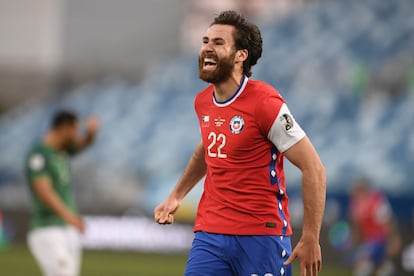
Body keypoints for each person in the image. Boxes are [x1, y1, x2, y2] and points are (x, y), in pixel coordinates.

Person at [154, 10, 326, 276]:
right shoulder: (202, 102)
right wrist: (176, 195)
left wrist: (311, 237)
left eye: (218, 43)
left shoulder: (265, 103)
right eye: (205, 41)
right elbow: (208, 148)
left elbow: (313, 168)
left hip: (261, 236)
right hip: (210, 234)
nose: (206, 48)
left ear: (240, 55)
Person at [25, 110, 99, 276]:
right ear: (65, 128)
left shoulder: (61, 152)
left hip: (66, 228)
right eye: (75, 130)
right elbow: (44, 191)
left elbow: (82, 144)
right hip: (47, 227)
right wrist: (70, 217)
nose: (76, 135)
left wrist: (92, 133)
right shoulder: (39, 155)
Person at [349, 177, 400, 276]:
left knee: (363, 264)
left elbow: (388, 221)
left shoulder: (376, 200)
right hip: (369, 240)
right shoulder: (355, 203)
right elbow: (356, 225)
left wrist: (393, 240)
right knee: (382, 268)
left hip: (379, 239)